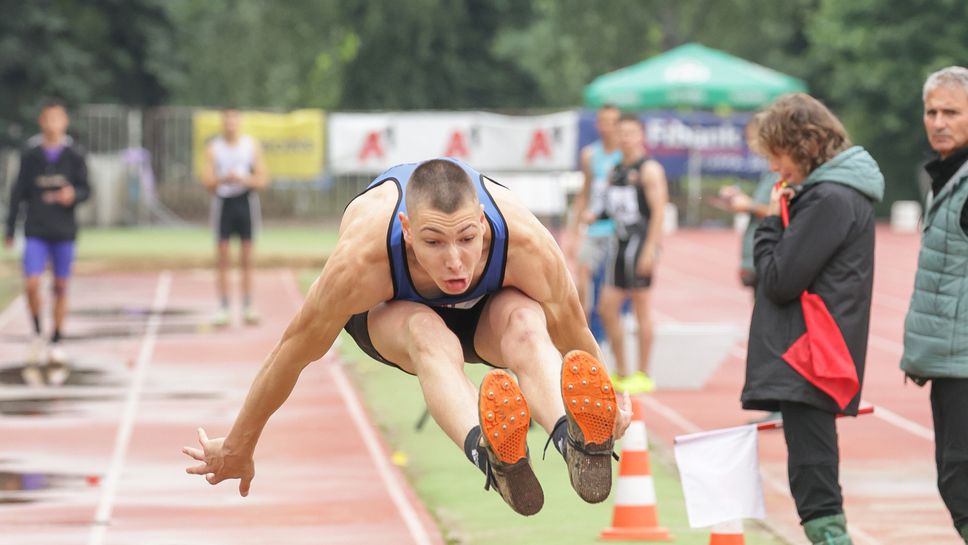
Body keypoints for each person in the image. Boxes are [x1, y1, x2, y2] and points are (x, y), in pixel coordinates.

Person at [183, 158, 632, 516]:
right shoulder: (361, 261)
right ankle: (493, 454)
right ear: (406, 229)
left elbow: (572, 331)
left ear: (482, 221)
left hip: (488, 311)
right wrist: (240, 444)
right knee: (428, 334)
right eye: (434, 242)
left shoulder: (527, 244)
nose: (455, 261)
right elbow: (292, 353)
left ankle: (576, 439)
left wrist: (604, 402)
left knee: (529, 326)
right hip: (391, 313)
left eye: (467, 239)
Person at [741, 93, 883, 545]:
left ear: (803, 146)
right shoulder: (829, 194)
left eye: (777, 155)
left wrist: (767, 224)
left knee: (814, 474)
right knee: (810, 470)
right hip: (813, 349)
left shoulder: (830, 199)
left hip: (812, 352)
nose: (773, 169)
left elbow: (781, 278)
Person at [900, 66, 968, 544]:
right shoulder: (947, 177)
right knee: (954, 476)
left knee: (959, 476)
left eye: (952, 112)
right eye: (932, 111)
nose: (939, 121)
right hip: (949, 361)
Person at [3, 99, 90, 382]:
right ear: (42, 121)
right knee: (31, 283)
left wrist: (72, 195)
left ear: (64, 122)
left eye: (58, 118)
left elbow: (87, 189)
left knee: (61, 286)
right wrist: (9, 228)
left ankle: (57, 338)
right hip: (36, 229)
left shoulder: (74, 154)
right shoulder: (31, 155)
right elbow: (17, 193)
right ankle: (38, 329)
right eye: (48, 118)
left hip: (63, 230)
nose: (53, 124)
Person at [713, 113, 781, 424]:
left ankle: (779, 405)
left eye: (755, 136)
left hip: (772, 260)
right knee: (766, 332)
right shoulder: (770, 171)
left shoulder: (784, 170)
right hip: (759, 259)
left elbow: (780, 210)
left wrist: (748, 205)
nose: (750, 143)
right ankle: (774, 403)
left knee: (773, 333)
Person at [596, 113, 668, 394]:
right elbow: (612, 208)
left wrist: (650, 250)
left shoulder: (650, 170)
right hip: (619, 243)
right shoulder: (616, 170)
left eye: (631, 133)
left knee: (641, 309)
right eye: (621, 133)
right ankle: (622, 370)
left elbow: (659, 211)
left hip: (641, 244)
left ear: (641, 136)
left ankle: (643, 373)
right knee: (607, 308)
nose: (625, 138)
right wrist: (594, 215)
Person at [200, 108, 268, 327]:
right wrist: (223, 179)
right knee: (222, 255)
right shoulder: (214, 148)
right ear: (222, 122)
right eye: (226, 119)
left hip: (245, 202)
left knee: (247, 255)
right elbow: (208, 181)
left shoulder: (250, 146)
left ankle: (248, 305)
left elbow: (262, 179)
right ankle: (223, 306)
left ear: (239, 122)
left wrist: (243, 179)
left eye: (234, 119)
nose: (230, 123)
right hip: (224, 204)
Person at [566, 105, 623, 329]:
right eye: (603, 121)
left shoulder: (626, 156)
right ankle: (584, 330)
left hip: (619, 231)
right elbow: (584, 193)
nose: (607, 127)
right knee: (581, 278)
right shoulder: (590, 155)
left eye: (612, 122)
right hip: (594, 228)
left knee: (614, 293)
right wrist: (573, 233)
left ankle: (616, 328)